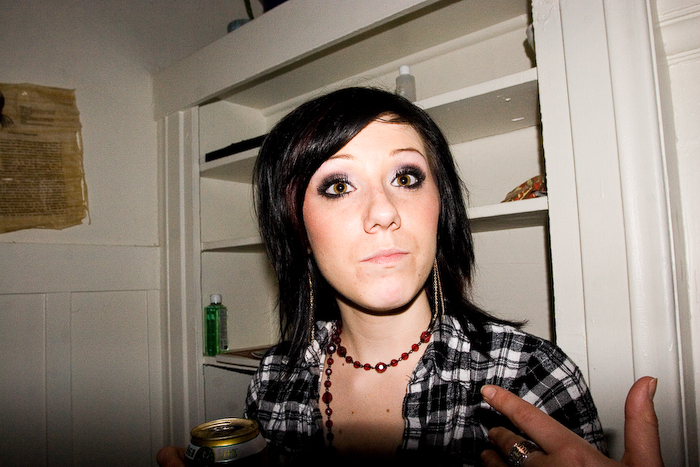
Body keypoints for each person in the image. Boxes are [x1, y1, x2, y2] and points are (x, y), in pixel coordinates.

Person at [156, 87, 663, 466]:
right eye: (338, 186)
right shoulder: (274, 382)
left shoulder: (530, 377)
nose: (383, 212)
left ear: (440, 208)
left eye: (405, 177)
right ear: (297, 228)